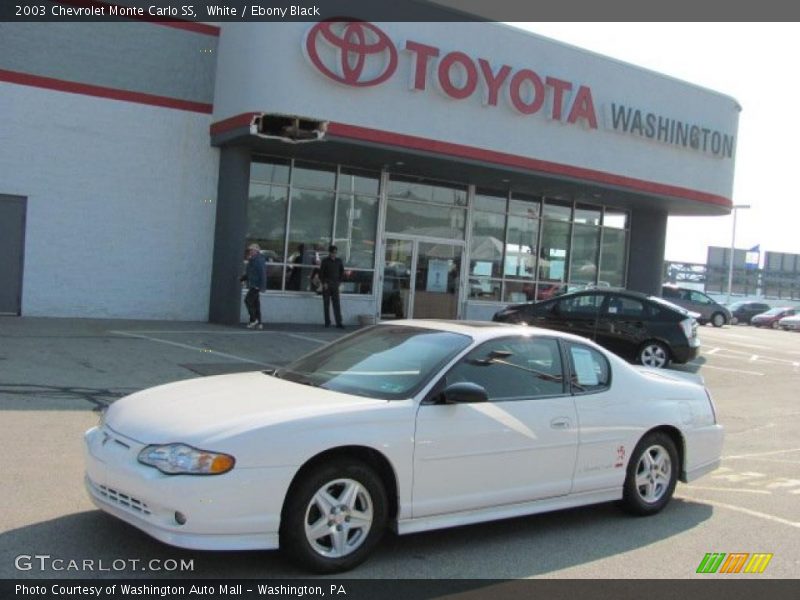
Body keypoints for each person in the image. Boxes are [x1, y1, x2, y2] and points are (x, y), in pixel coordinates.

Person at [240, 243, 266, 329]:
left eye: (252, 250)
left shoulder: (258, 260)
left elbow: (262, 274)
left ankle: (253, 320)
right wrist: (242, 279)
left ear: (256, 251)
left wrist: (261, 286)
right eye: (249, 250)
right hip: (253, 284)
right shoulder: (253, 260)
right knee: (255, 303)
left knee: (248, 301)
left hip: (256, 285)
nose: (250, 251)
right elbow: (250, 273)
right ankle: (259, 323)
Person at [319, 244, 345, 328]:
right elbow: (321, 274)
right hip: (327, 285)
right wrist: (324, 283)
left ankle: (339, 323)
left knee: (336, 304)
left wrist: (339, 282)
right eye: (333, 252)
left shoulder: (339, 261)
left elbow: (342, 272)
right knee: (326, 304)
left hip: (335, 285)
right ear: (329, 252)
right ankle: (327, 322)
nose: (334, 254)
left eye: (335, 252)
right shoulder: (325, 261)